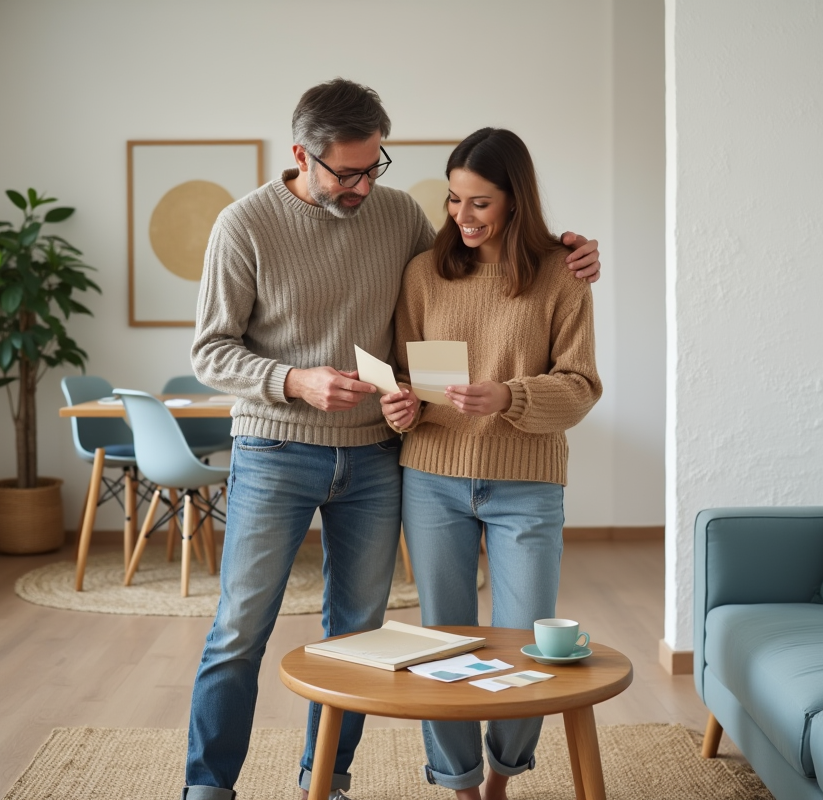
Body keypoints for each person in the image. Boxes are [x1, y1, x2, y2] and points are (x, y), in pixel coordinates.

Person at [187, 79, 601, 800]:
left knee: (358, 635)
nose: (360, 187)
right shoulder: (243, 225)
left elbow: (473, 256)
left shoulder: (398, 215)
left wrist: (567, 246)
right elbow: (211, 352)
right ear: (301, 155)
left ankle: (329, 779)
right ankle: (208, 787)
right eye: (345, 172)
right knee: (239, 629)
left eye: (372, 167)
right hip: (277, 450)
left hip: (378, 458)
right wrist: (296, 382)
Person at [380, 127, 602, 800]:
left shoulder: (563, 275)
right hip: (432, 477)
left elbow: (581, 385)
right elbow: (405, 375)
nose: (461, 217)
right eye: (453, 200)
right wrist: (401, 409)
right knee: (440, 640)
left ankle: (503, 778)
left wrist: (508, 394)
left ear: (515, 199)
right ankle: (459, 784)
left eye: (479, 203)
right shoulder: (424, 273)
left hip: (527, 482)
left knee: (527, 642)